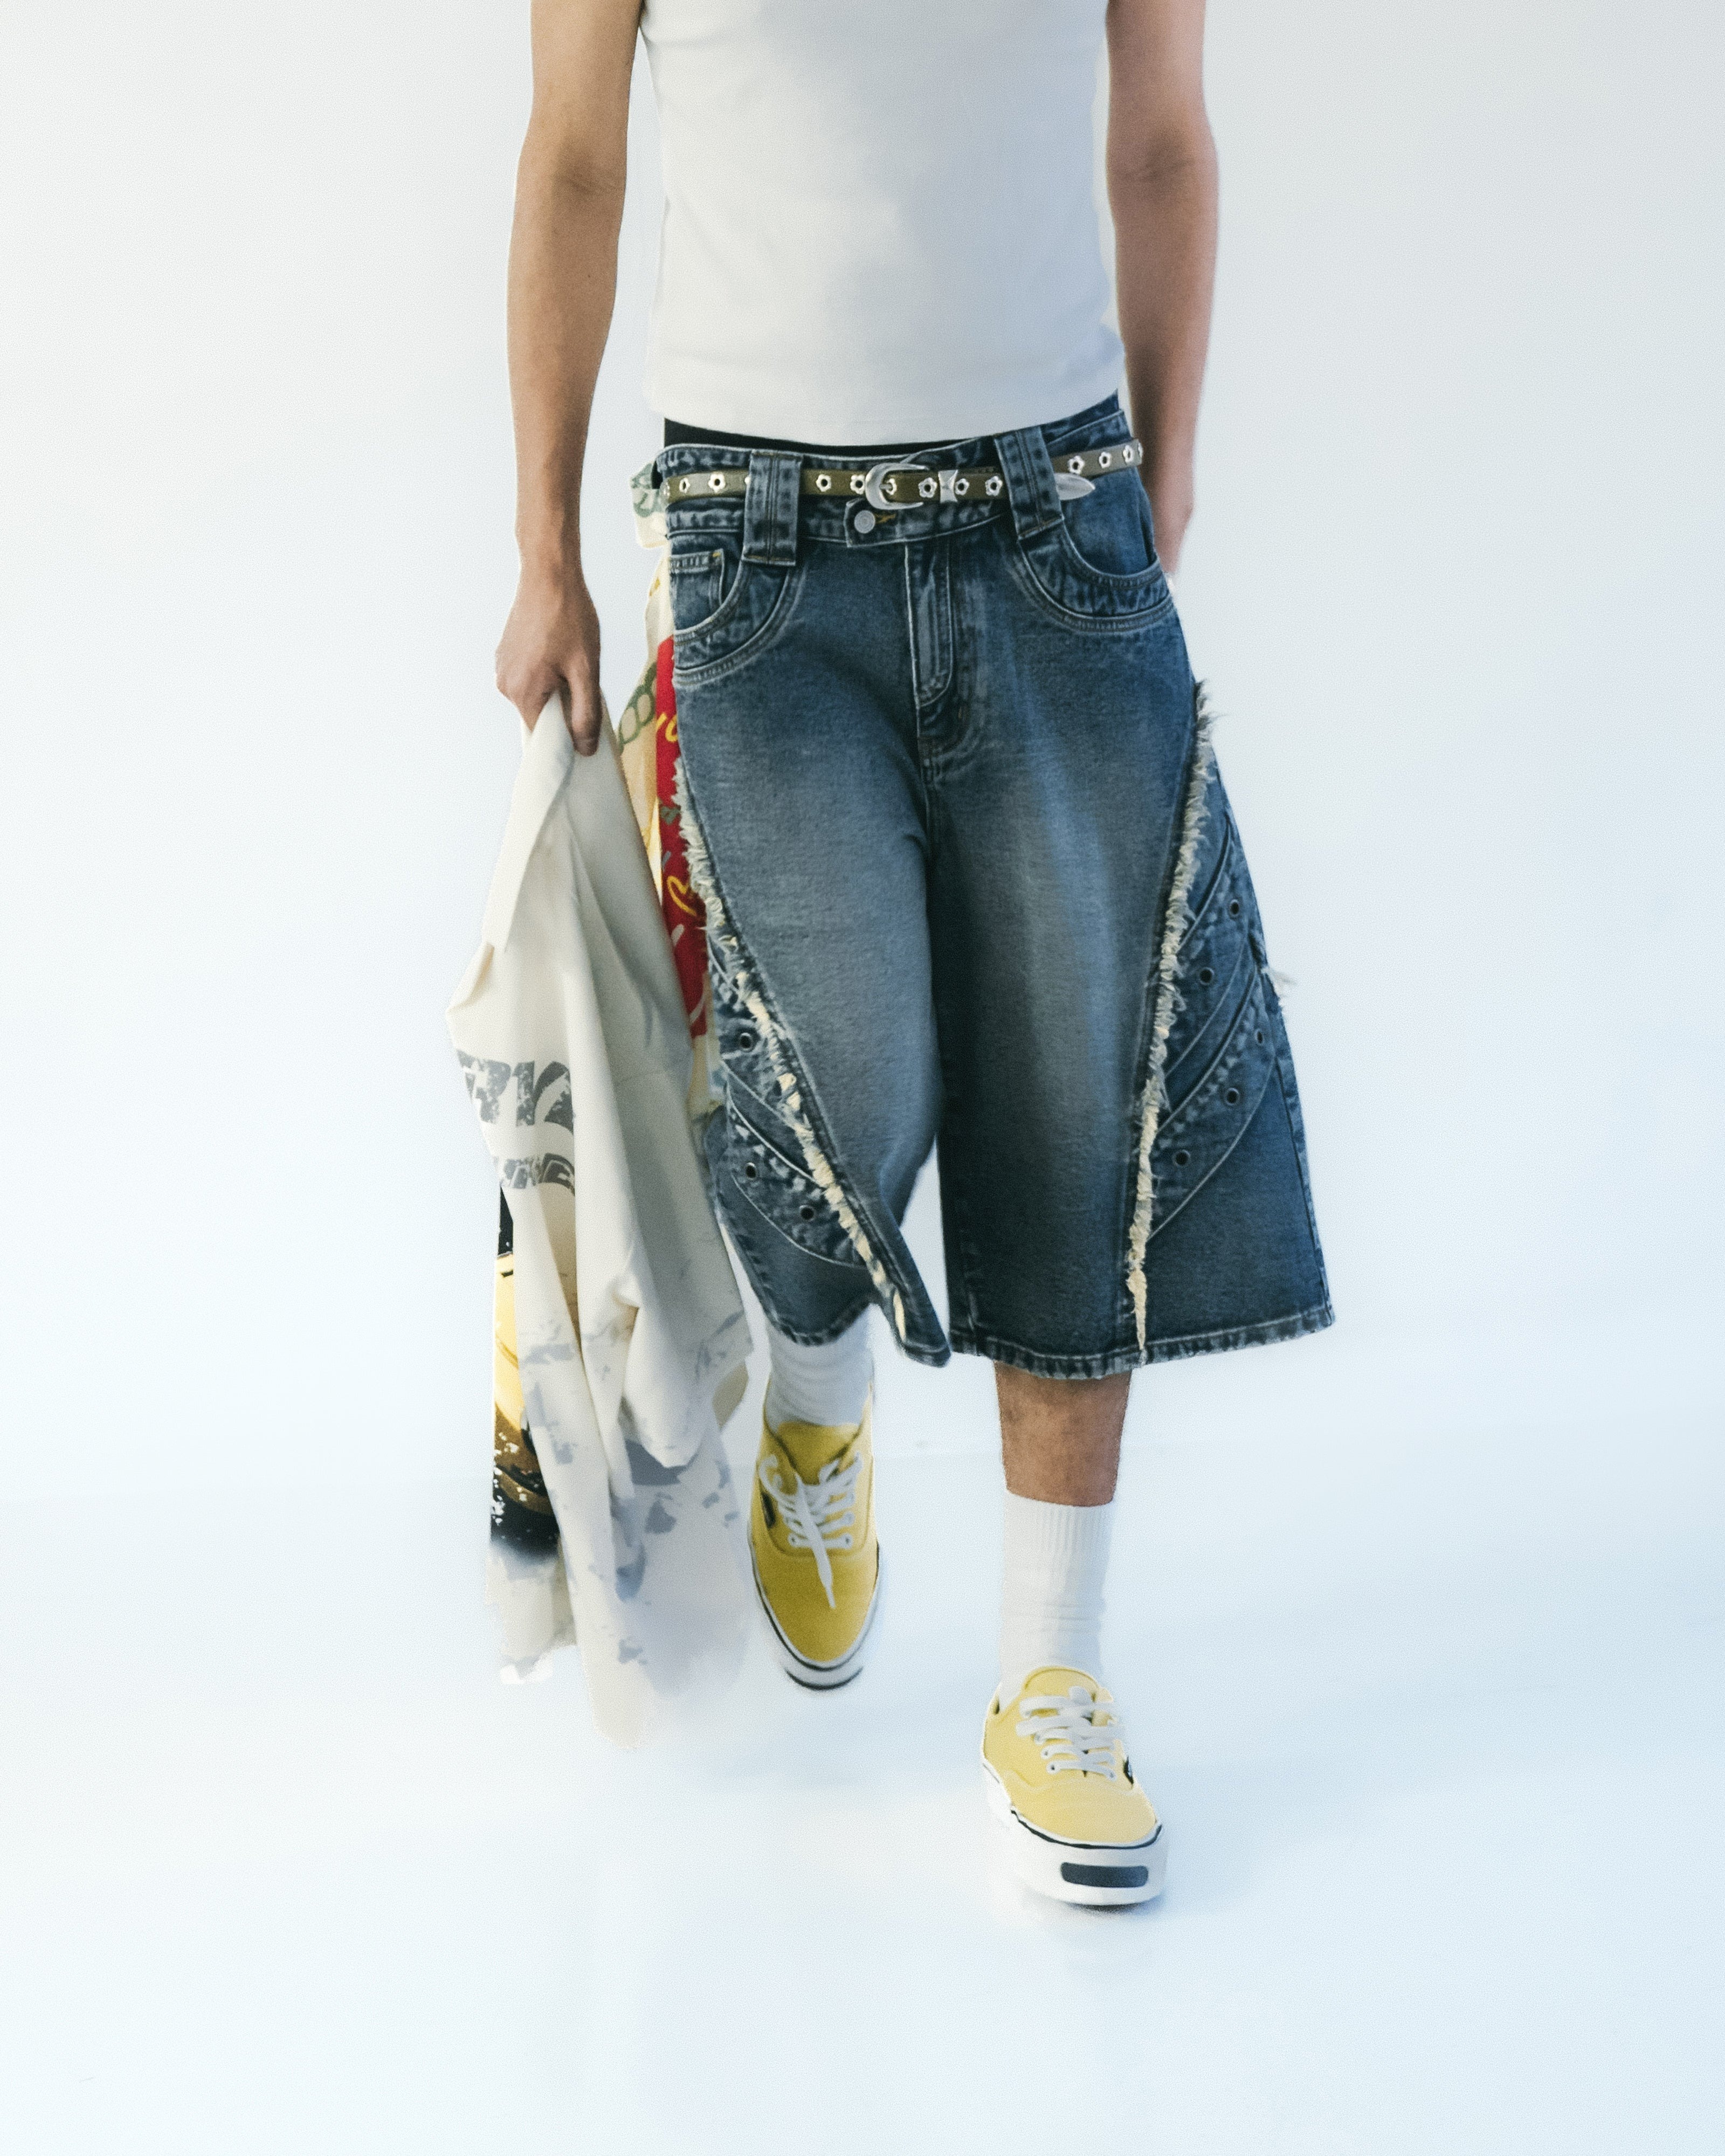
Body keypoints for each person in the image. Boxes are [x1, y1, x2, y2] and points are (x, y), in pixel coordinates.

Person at [494, 0, 1331, 1907]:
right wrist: (544, 548)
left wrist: (1169, 458)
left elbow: (1161, 134)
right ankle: (820, 1401)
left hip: (1058, 512)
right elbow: (575, 156)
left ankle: (1053, 1675)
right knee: (823, 1072)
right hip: (758, 548)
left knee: (1079, 1098)